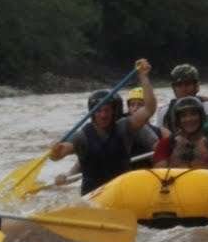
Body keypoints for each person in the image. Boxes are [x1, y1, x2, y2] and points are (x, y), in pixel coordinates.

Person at [48, 58, 157, 194]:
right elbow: (58, 155)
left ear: (114, 111)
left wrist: (143, 76)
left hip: (122, 192)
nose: (103, 115)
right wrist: (55, 150)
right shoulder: (82, 136)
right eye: (99, 111)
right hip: (93, 196)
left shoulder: (125, 127)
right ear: (92, 113)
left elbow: (149, 109)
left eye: (107, 110)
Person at [150, 96, 208, 173]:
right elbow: (159, 173)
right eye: (183, 116)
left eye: (193, 114)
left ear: (201, 117)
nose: (189, 119)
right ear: (178, 121)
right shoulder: (165, 144)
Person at [158, 63, 208, 136]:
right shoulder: (164, 111)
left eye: (187, 84)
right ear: (173, 88)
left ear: (197, 86)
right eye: (179, 85)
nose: (183, 89)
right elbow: (157, 136)